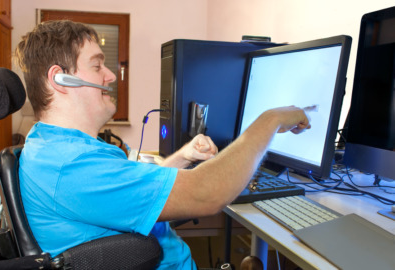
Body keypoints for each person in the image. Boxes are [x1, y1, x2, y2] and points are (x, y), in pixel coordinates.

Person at [16, 20, 313, 269]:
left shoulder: (52, 146)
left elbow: (129, 193)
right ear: (61, 79)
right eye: (97, 67)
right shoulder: (72, 166)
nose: (109, 75)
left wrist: (183, 156)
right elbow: (207, 194)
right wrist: (270, 120)